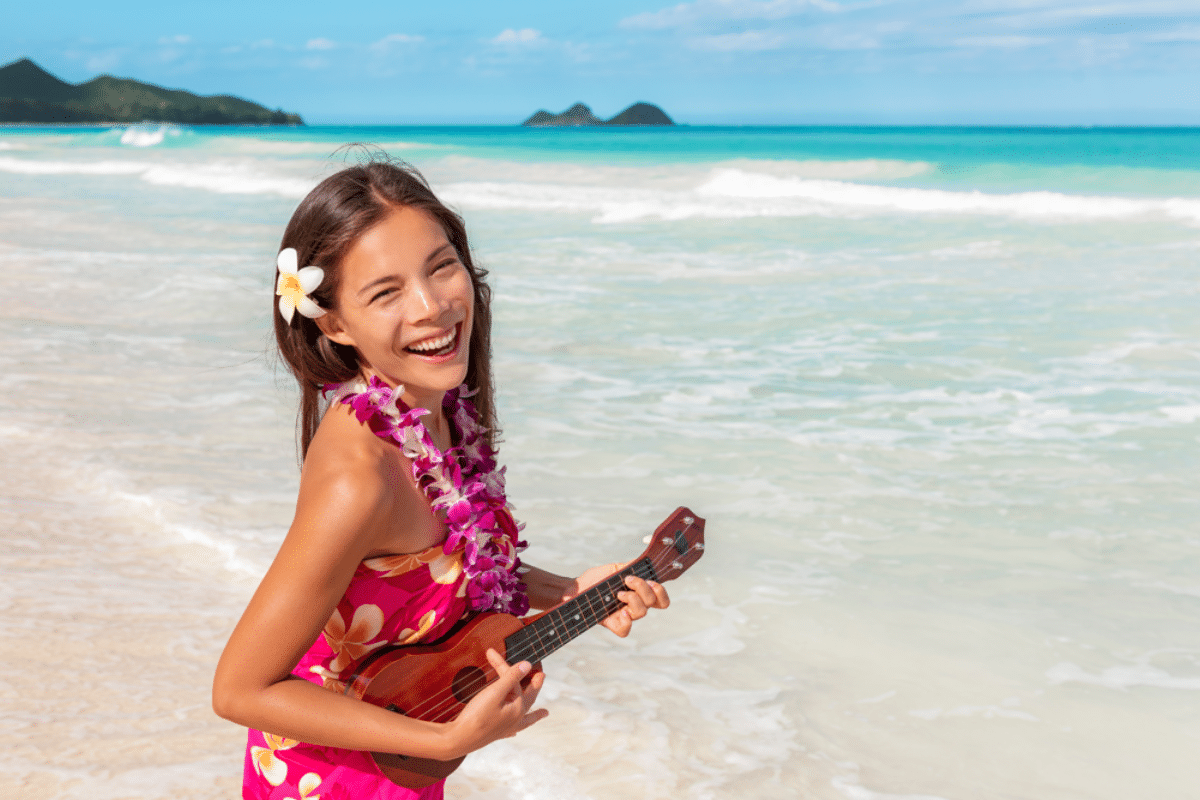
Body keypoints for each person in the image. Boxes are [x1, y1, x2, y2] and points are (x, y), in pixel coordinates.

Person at [212, 159, 669, 800]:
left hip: (398, 749)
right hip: (329, 775)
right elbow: (240, 688)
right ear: (334, 323)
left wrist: (570, 591)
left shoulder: (440, 410)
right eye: (385, 292)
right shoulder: (359, 478)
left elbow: (446, 568)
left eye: (441, 266)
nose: (431, 307)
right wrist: (446, 742)